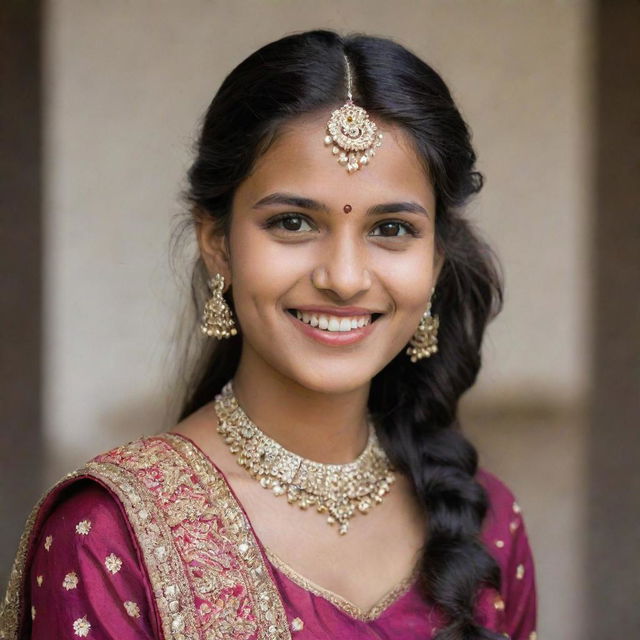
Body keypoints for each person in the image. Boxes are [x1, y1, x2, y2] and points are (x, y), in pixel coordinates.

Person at [0, 29, 537, 640]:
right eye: (292, 222)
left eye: (391, 228)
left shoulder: (484, 526)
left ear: (436, 261)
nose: (343, 278)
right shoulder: (110, 537)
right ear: (218, 244)